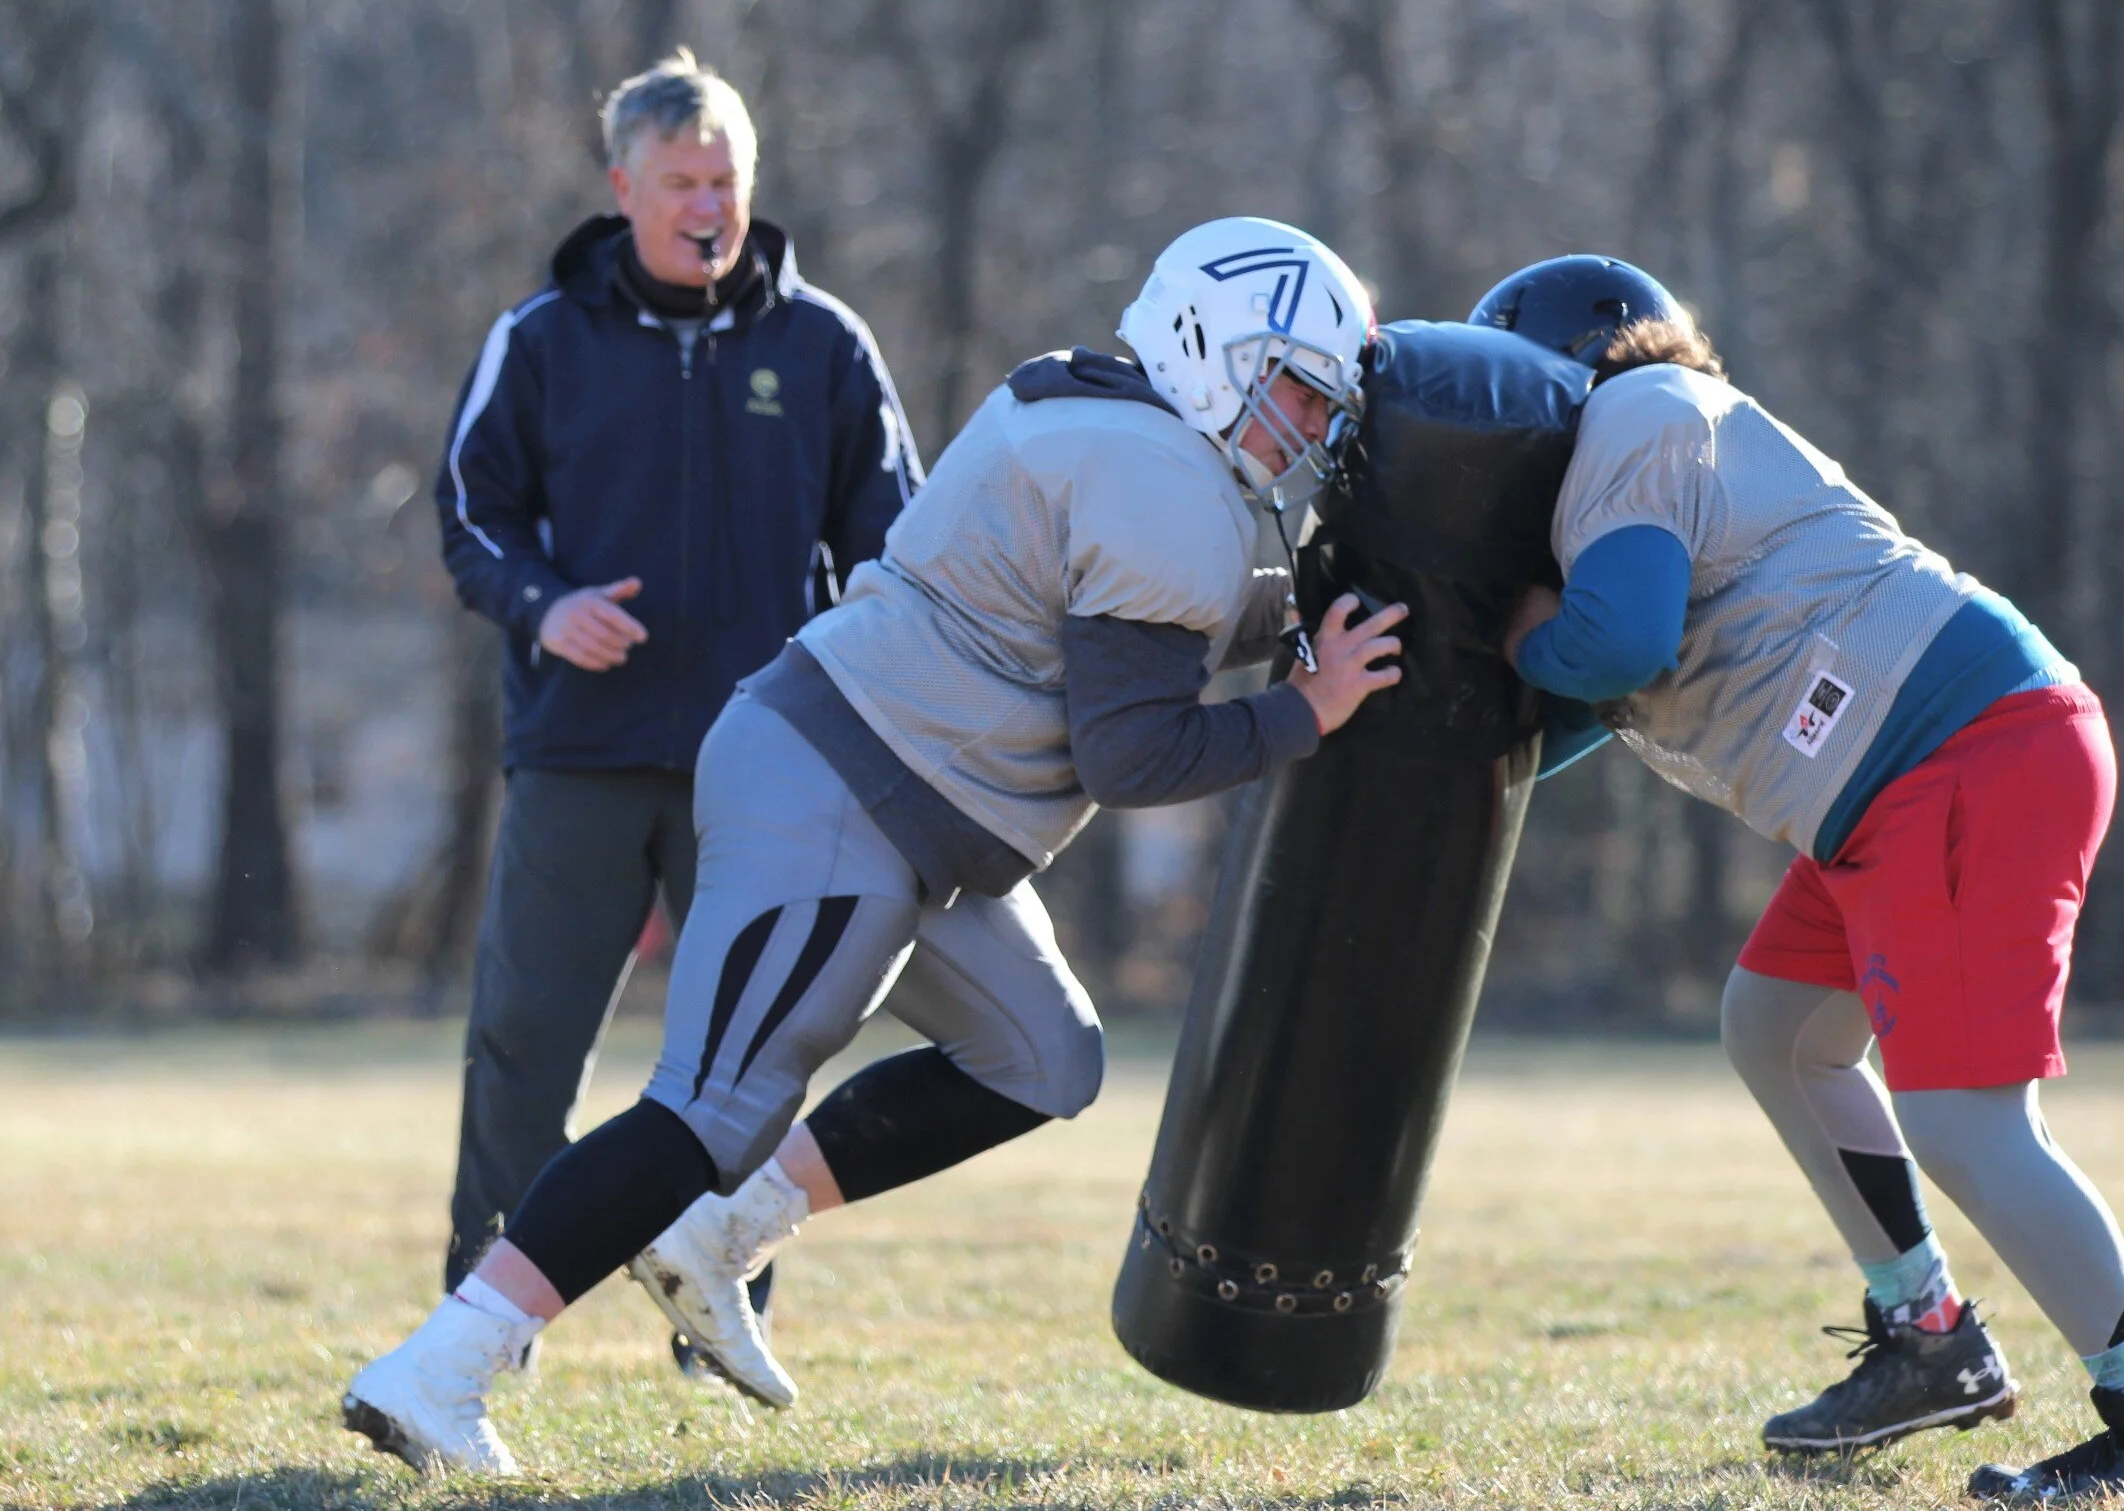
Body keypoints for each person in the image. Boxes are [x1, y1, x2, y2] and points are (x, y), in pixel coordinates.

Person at [342, 216, 1409, 1475]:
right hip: (842, 786)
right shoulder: (1162, 481)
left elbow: (1139, 620)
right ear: (1210, 346)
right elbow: (1134, 753)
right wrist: (1308, 707)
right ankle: (441, 1364)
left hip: (918, 807)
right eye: (1292, 384)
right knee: (711, 1105)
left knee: (1040, 1054)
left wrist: (1288, 633)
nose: (1305, 422)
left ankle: (719, 1234)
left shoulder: (1084, 400)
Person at [1484, 255, 2124, 1501]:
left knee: (1963, 1117)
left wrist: (1514, 637)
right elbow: (1599, 689)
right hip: (1907, 767)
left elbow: (1611, 642)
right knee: (1774, 1028)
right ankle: (1926, 1336)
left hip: (1950, 749)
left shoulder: (1635, 412)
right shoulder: (1663, 451)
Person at [430, 46, 920, 1337]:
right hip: (579, 755)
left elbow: (897, 549)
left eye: (727, 178)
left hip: (766, 770)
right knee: (524, 1046)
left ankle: (725, 1311)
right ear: (623, 187)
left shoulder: (825, 345)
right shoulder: (539, 340)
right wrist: (548, 605)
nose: (709, 204)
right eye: (681, 180)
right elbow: (471, 519)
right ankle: (478, 1319)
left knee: (751, 1067)